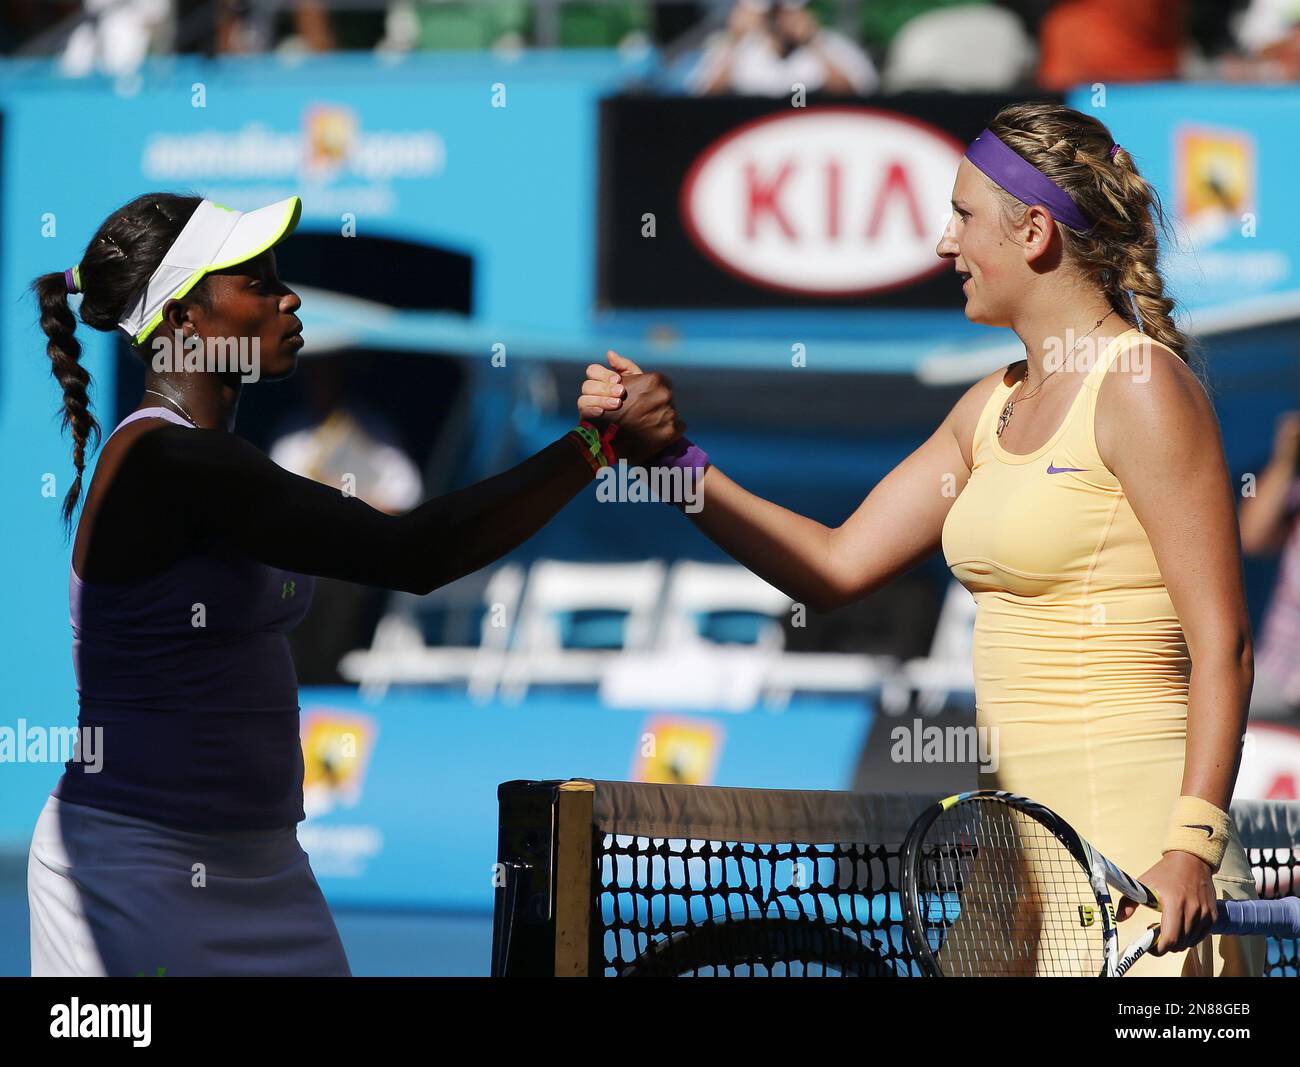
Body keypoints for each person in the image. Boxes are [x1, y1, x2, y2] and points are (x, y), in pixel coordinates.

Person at [582, 102, 1263, 976]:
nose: (944, 244)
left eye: (963, 216)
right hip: (1015, 874)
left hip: (1143, 870)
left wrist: (1192, 845)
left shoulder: (1140, 388)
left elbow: (1224, 643)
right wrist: (669, 462)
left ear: (1034, 231)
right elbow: (833, 565)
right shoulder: (990, 406)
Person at [27, 192, 681, 976]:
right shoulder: (172, 462)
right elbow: (414, 553)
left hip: (267, 865)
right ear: (184, 322)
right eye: (258, 282)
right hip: (128, 872)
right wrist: (596, 443)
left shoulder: (215, 459)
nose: (289, 296)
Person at [1239, 411, 1300, 719]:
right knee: (1219, 709)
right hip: (1281, 670)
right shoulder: (1293, 480)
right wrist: (1285, 460)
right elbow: (1252, 536)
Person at [688, 0, 879, 97]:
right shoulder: (740, 50)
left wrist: (813, 42)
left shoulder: (829, 44)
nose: (782, 21)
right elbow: (702, 95)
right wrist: (735, 39)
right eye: (775, 14)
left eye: (788, 13)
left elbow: (856, 93)